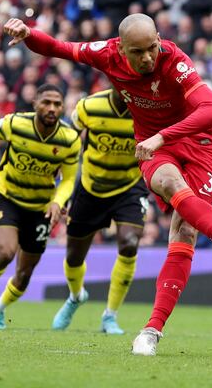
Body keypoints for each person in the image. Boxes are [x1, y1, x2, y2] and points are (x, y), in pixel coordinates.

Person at [3, 14, 212, 356]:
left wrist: (163, 136)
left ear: (160, 39)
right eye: (138, 52)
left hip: (198, 143)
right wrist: (28, 34)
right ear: (121, 49)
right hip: (152, 147)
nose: (147, 58)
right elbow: (59, 48)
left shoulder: (175, 61)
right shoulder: (106, 54)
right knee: (171, 185)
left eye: (152, 48)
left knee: (185, 231)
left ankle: (151, 330)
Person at [0, 84, 81, 330]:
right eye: (46, 102)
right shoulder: (16, 124)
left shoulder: (69, 138)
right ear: (35, 103)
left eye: (57, 104)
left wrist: (58, 201)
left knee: (24, 274)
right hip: (8, 197)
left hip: (40, 208)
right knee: (6, 252)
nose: (52, 108)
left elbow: (69, 178)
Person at [50, 89, 149, 335]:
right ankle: (75, 296)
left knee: (129, 243)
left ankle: (110, 316)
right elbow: (69, 138)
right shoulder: (89, 107)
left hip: (129, 187)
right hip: (90, 187)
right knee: (74, 255)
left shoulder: (148, 108)